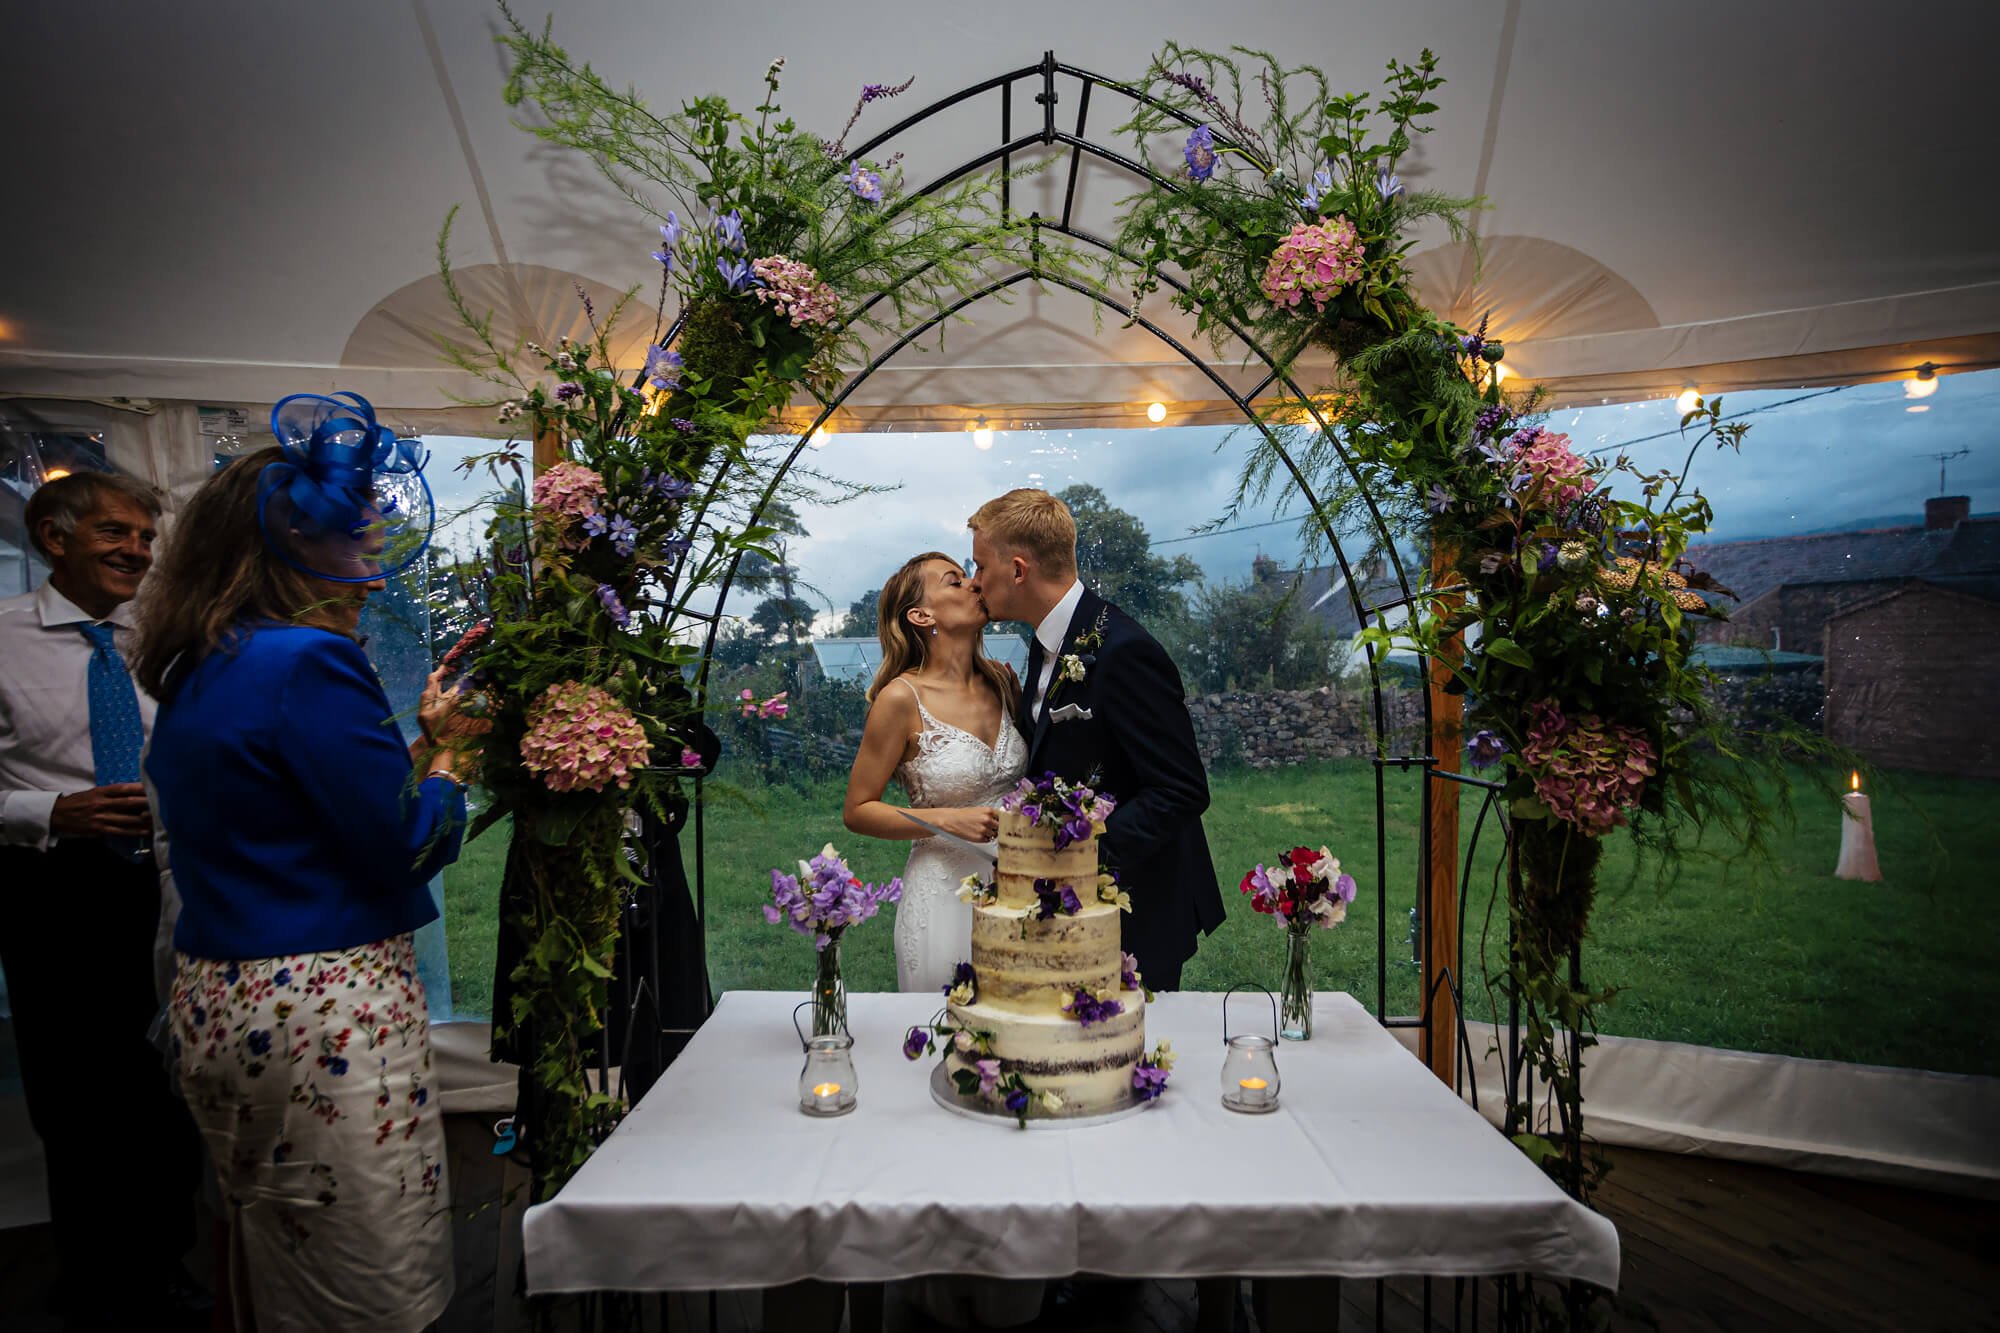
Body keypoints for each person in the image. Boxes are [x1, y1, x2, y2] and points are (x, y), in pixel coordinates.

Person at [134, 394, 474, 1333]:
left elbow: (306, 816)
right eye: (359, 550)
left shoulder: (204, 662)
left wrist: (417, 746)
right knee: (365, 1268)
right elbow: (407, 842)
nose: (371, 577)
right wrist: (455, 758)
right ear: (292, 550)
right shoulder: (310, 662)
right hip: (323, 1004)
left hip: (218, 994)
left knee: (273, 1239)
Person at [0, 470, 207, 1329]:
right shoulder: (2, 638)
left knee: (170, 1088)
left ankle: (168, 1269)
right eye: (116, 533)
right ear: (53, 535)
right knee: (78, 1100)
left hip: (170, 888)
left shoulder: (166, 641)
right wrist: (49, 808)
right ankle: (94, 1286)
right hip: (57, 890)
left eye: (146, 537)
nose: (138, 551)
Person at [966, 488, 1223, 990]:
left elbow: (1181, 790)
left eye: (979, 566)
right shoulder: (1043, 645)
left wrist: (1076, 855)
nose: (976, 582)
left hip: (1138, 906)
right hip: (1080, 910)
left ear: (1019, 570)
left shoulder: (1124, 651)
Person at [841, 551, 1026, 993]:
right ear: (922, 615)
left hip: (1019, 888)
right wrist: (946, 821)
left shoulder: (1002, 683)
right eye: (954, 581)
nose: (974, 585)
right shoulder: (901, 699)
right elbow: (857, 810)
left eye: (969, 577)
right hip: (944, 893)